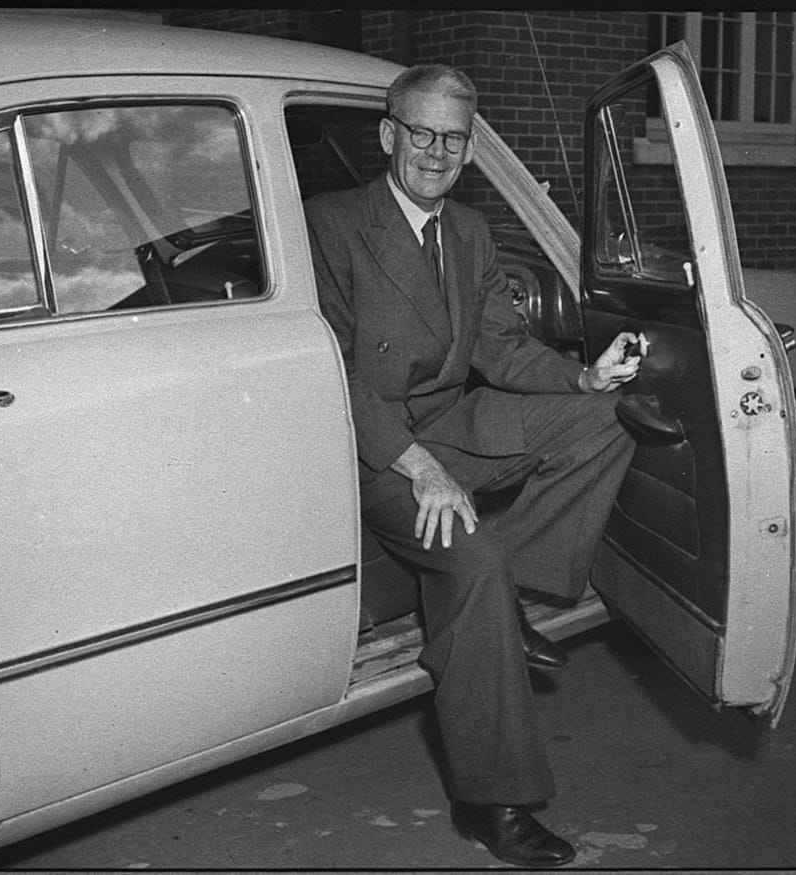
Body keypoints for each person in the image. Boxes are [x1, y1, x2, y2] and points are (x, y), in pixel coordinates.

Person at [306, 64, 640, 868]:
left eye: (454, 138)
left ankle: (511, 597)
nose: (436, 151)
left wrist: (584, 376)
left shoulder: (471, 232)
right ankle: (497, 801)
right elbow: (336, 371)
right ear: (389, 135)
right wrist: (418, 465)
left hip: (456, 417)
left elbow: (497, 345)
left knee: (611, 417)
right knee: (474, 554)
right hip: (375, 444)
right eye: (420, 132)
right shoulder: (333, 223)